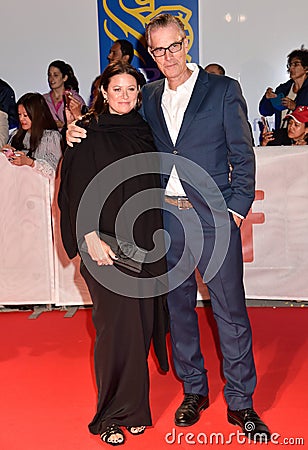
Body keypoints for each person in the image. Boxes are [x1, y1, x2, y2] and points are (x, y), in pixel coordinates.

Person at [66, 13, 270, 443]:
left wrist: (235, 209)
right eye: (158, 50)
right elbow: (112, 126)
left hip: (215, 218)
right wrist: (72, 129)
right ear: (151, 54)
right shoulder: (150, 95)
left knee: (230, 311)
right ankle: (193, 389)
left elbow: (243, 153)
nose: (167, 56)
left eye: (173, 46)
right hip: (166, 220)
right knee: (178, 311)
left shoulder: (223, 89)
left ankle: (241, 401)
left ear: (186, 42)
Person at [58, 61, 169, 446]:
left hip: (143, 242)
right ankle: (109, 414)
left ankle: (135, 409)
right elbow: (72, 189)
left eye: (131, 90)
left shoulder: (146, 131)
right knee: (113, 328)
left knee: (137, 327)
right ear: (103, 92)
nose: (123, 96)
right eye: (116, 89)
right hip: (102, 245)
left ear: (140, 94)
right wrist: (89, 237)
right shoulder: (86, 132)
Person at [1, 92, 62, 178]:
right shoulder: (16, 134)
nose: (21, 119)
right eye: (19, 114)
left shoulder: (51, 137)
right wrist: (5, 154)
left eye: (25, 115)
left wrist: (31, 163)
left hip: (39, 187)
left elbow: (54, 171)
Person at [259, 47, 308, 130]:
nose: (291, 68)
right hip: (283, 137)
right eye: (290, 65)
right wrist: (267, 98)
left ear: (306, 68)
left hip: (304, 139)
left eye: (296, 64)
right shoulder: (283, 89)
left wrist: (295, 107)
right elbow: (265, 112)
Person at [43, 60, 86, 131]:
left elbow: (83, 122)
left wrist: (63, 125)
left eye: (55, 75)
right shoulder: (43, 99)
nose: (51, 79)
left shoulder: (74, 98)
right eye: (49, 75)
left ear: (65, 78)